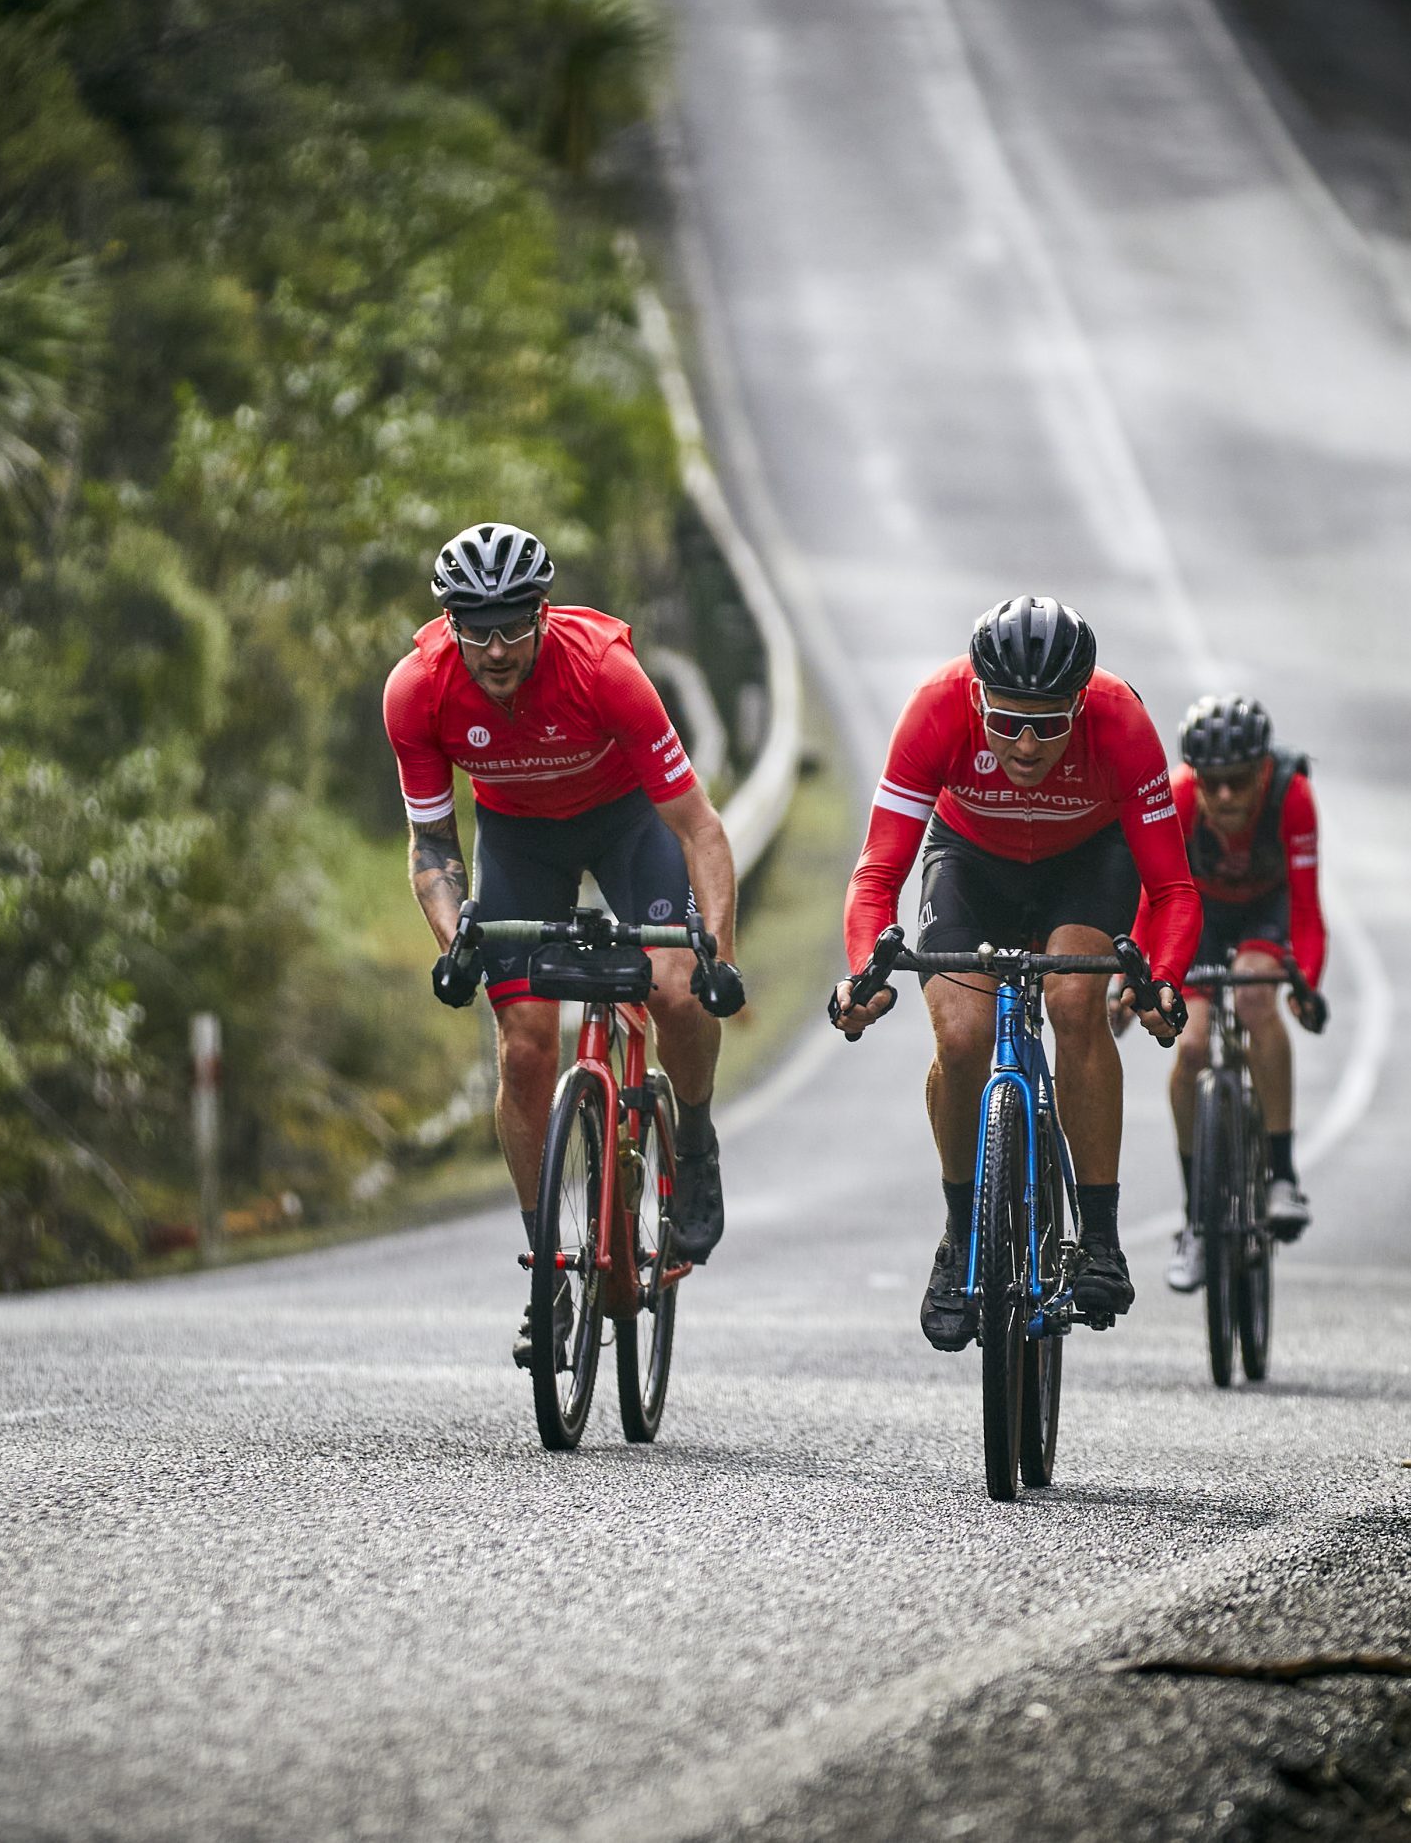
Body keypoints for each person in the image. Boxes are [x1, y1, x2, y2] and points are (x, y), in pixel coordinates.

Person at [384, 523, 746, 1363]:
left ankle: (694, 1139)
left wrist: (719, 958)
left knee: (675, 990)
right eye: (477, 629)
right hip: (518, 841)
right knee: (523, 1050)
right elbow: (433, 846)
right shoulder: (417, 691)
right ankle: (547, 1273)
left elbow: (699, 827)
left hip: (627, 824)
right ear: (449, 623)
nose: (497, 649)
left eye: (514, 625)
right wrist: (454, 940)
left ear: (544, 613)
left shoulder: (604, 671)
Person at [828, 595, 1199, 1351]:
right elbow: (876, 874)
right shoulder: (934, 709)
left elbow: (1173, 890)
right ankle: (961, 1236)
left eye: (1049, 725)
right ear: (976, 699)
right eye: (1005, 721)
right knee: (961, 1036)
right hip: (971, 862)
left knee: (1074, 1004)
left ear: (1080, 706)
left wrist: (1162, 981)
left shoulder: (1121, 721)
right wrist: (864, 972)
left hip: (1083, 865)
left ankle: (1100, 1239)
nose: (1026, 746)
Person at [1114, 694, 1325, 1294]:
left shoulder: (1292, 796)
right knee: (1191, 1046)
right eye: (1213, 782)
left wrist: (1305, 984)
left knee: (1256, 999)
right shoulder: (1180, 798)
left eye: (1239, 780)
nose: (1226, 796)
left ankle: (1281, 1175)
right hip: (1198, 914)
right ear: (1196, 778)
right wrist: (1130, 978)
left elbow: (1307, 909)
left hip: (1265, 912)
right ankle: (1196, 1220)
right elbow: (1152, 900)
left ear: (1263, 770)